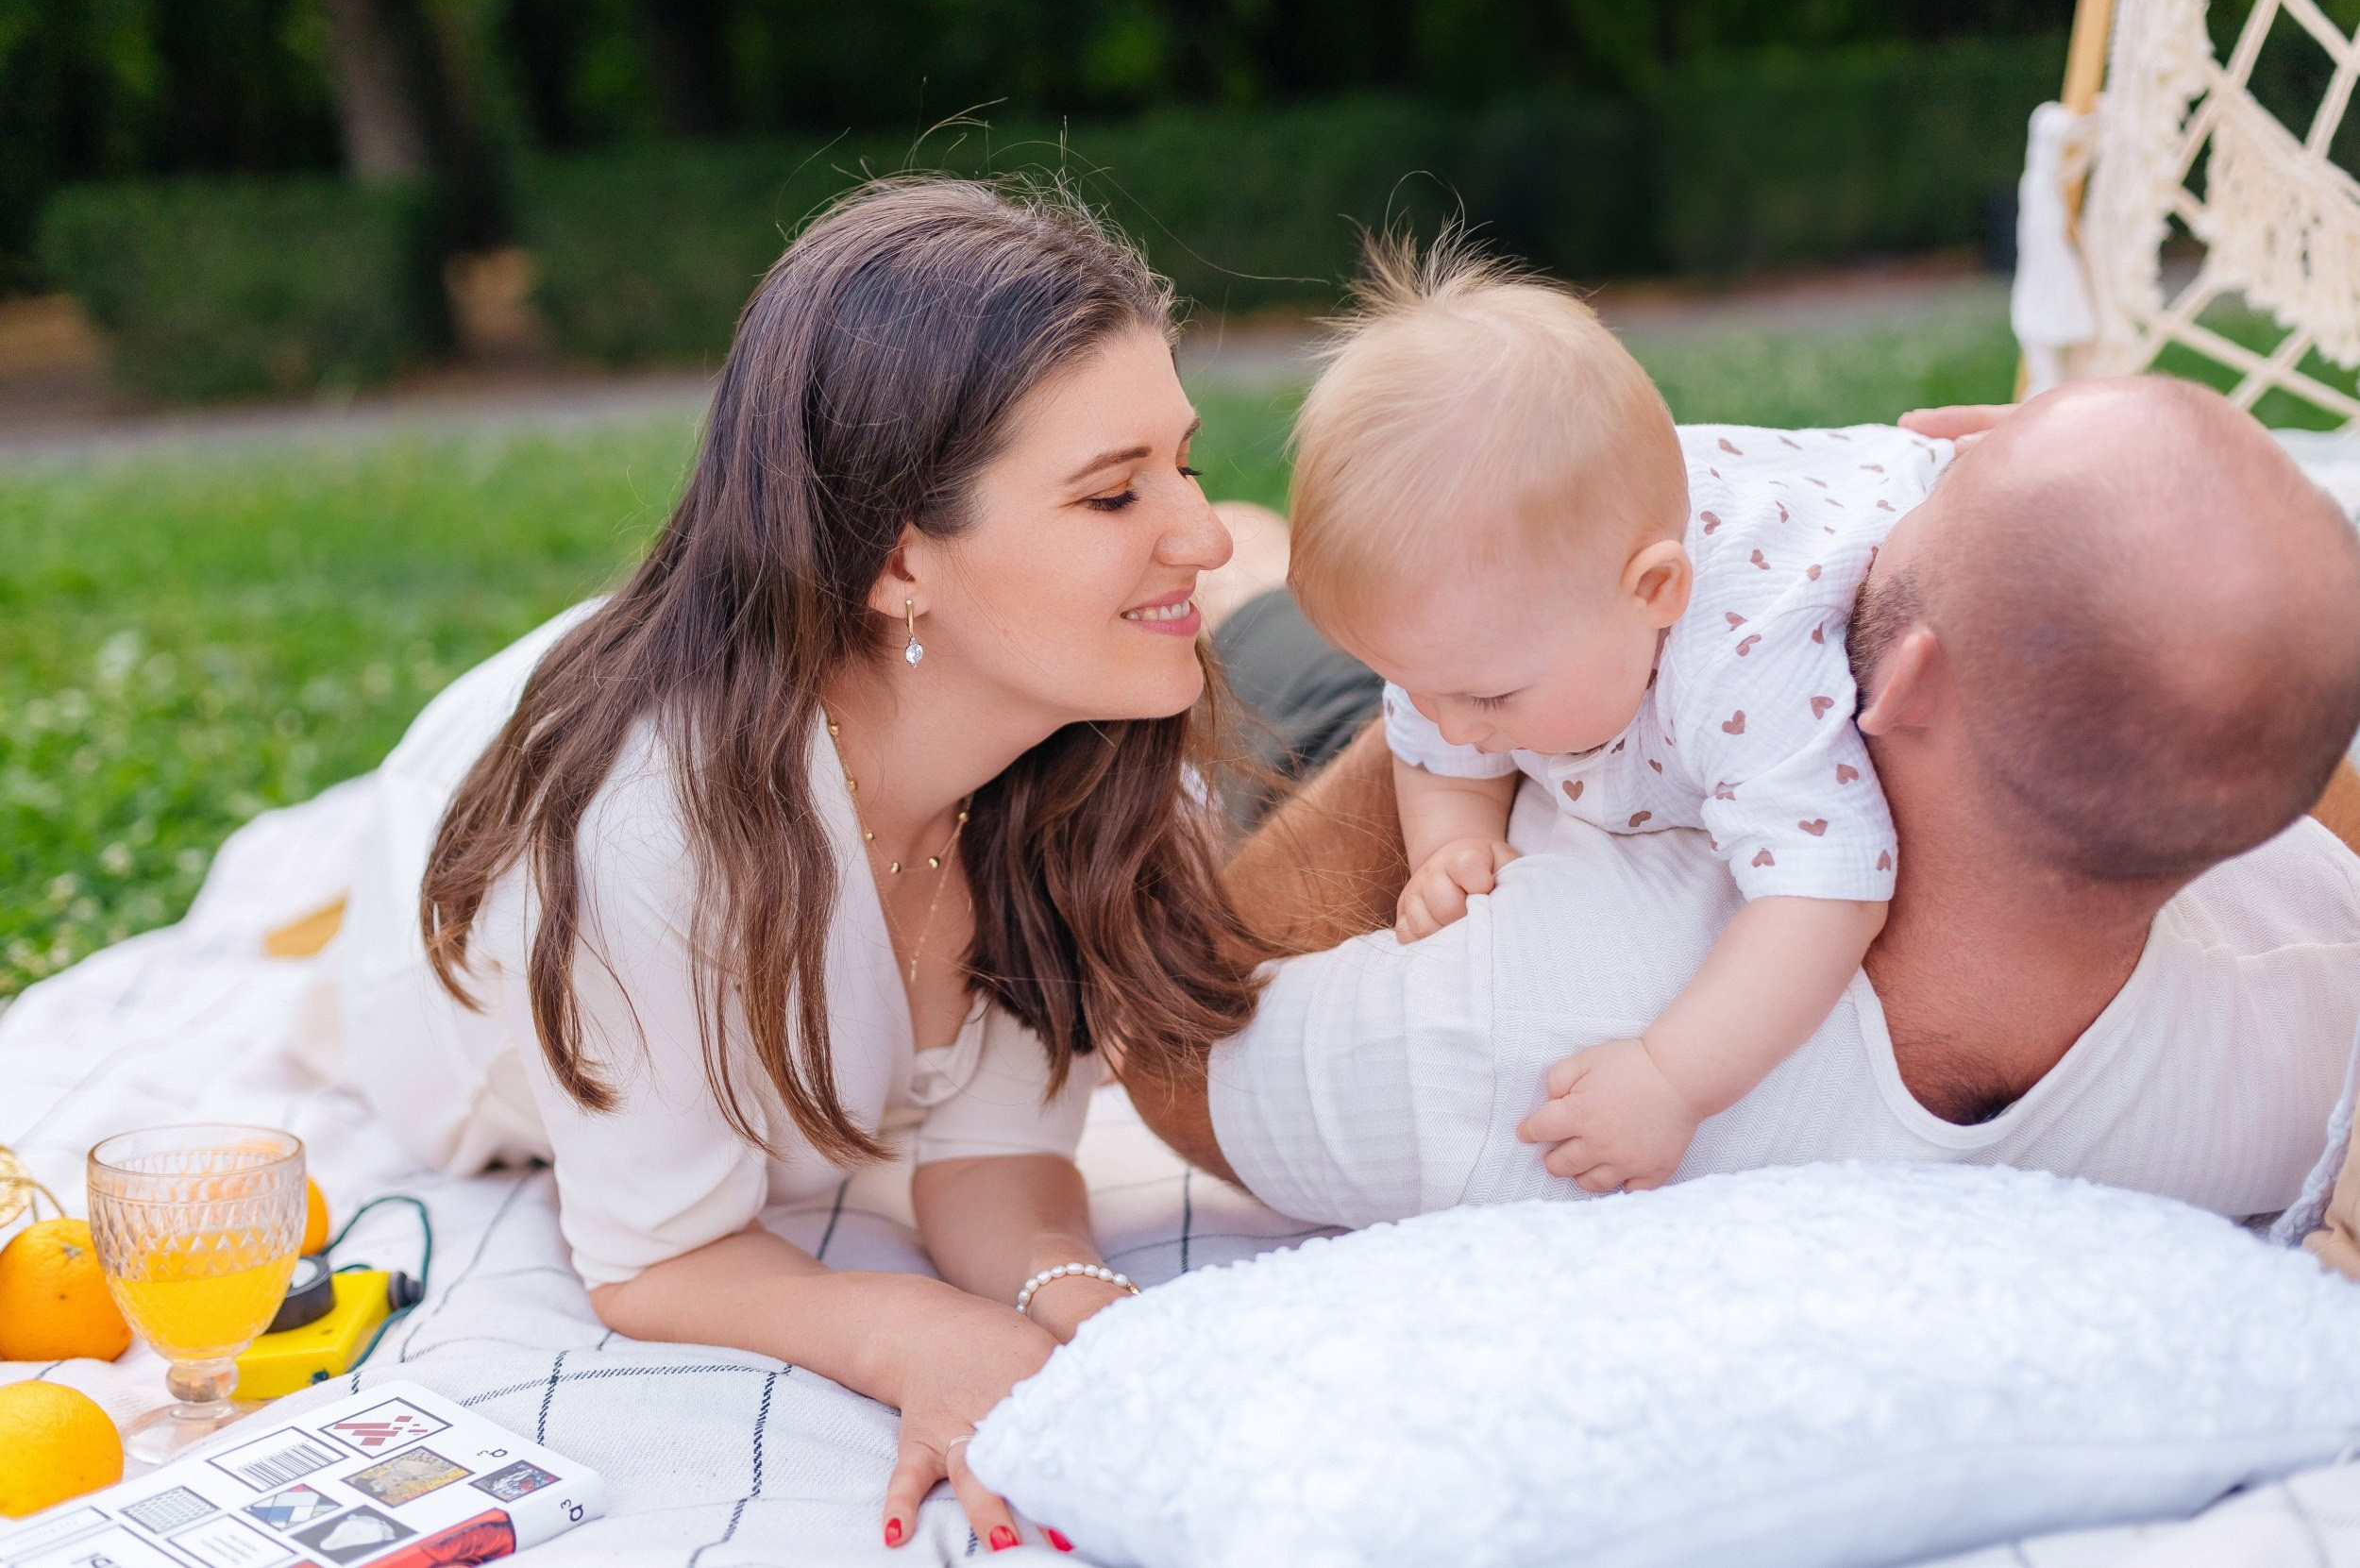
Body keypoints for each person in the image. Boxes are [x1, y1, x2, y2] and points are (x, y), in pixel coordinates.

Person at [333, 177, 1270, 1553]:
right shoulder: (639, 843)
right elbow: (657, 1253)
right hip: (493, 891)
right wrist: (917, 1333)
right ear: (899, 560)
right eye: (1115, 491)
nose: (1201, 533)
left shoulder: (1083, 741)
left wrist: (1078, 1303)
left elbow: (990, 1149)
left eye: (1183, 461)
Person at [1125, 376, 2360, 1232]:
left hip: (1451, 736)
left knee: (1259, 592)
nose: (1856, 488)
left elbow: (1175, 1043)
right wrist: (2177, 519)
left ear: (1916, 676)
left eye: (1919, 491)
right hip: (1544, 683)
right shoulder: (2311, 1032)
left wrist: (1454, 695)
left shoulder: (1525, 1024)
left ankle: (1251, 566)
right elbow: (2257, 722)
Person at [1286, 240, 1930, 1193]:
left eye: (1491, 698)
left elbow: (1827, 894)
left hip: (1951, 529)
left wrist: (1670, 1075)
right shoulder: (1473, 632)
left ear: (1654, 589)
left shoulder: (1743, 656)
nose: (1448, 726)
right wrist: (1449, 844)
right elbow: (1425, 745)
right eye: (1407, 683)